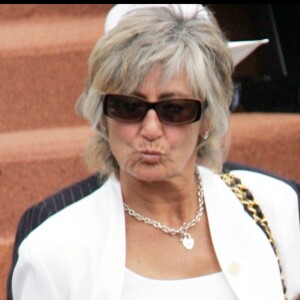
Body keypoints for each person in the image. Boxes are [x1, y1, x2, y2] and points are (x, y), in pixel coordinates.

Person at [11, 4, 300, 300]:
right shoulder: (52, 252)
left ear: (207, 119)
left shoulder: (272, 206)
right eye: (129, 107)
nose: (150, 129)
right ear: (102, 116)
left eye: (174, 109)